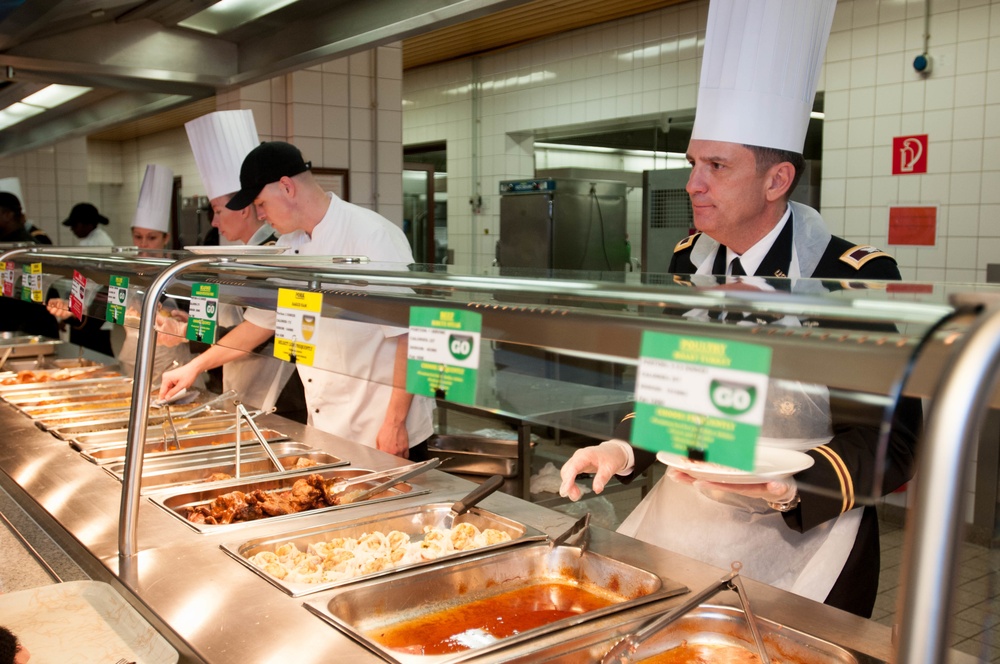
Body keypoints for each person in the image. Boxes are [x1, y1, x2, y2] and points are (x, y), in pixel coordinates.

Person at [558, 0, 920, 620]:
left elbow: (895, 441)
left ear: (777, 180)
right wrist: (622, 450)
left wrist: (791, 484)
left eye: (717, 167)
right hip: (683, 526)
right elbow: (676, 397)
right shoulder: (687, 266)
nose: (693, 184)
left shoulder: (850, 279)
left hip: (806, 542)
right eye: (693, 164)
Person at [159, 140, 434, 458]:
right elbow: (259, 325)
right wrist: (194, 367)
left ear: (287, 187)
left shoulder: (372, 235)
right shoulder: (290, 247)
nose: (260, 216)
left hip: (382, 428)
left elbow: (412, 335)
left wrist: (395, 423)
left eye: (261, 203)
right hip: (326, 423)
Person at [185, 110, 303, 418]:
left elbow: (260, 329)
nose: (214, 221)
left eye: (218, 210)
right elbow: (230, 322)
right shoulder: (241, 257)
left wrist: (193, 350)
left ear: (246, 209)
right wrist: (184, 325)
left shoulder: (279, 254)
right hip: (241, 385)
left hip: (281, 393)